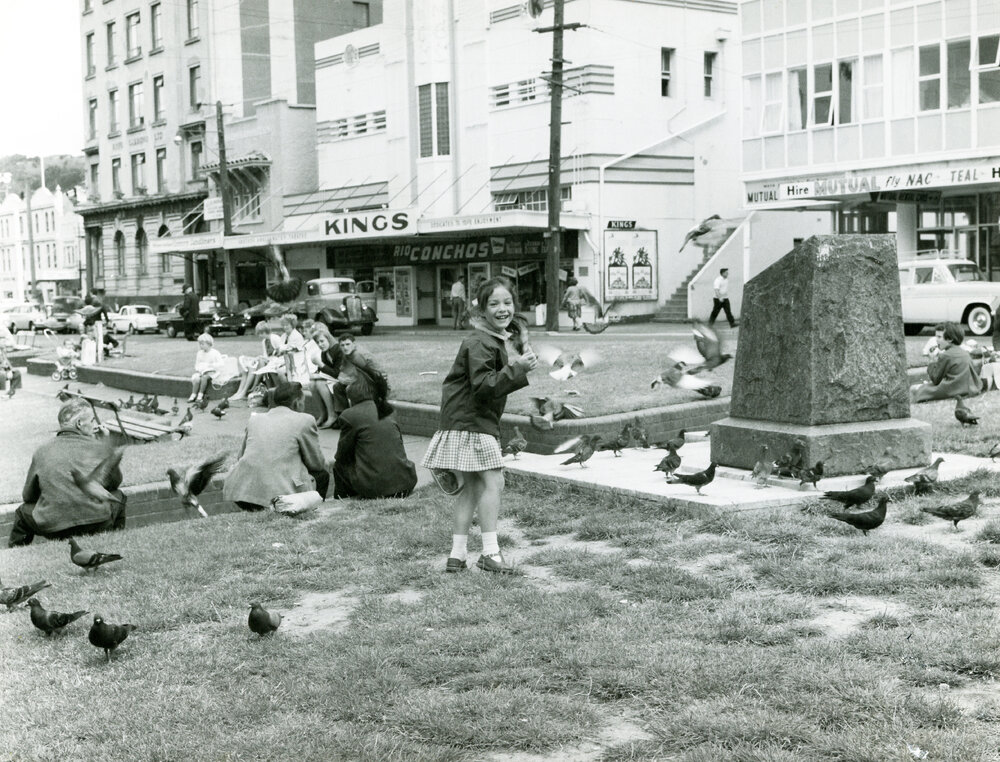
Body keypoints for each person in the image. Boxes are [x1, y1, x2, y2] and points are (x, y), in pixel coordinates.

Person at [421, 276, 538, 575]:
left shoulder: (487, 339)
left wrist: (516, 361)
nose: (502, 308)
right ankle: (490, 553)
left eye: (507, 302)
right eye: (494, 303)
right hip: (472, 422)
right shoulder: (480, 342)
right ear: (481, 310)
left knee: (471, 488)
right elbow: (484, 387)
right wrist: (517, 369)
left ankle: (457, 556)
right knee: (492, 482)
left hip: (463, 420)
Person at [9, 398, 127, 546]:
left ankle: (18, 551)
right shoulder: (97, 446)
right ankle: (114, 543)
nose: (95, 425)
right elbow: (114, 483)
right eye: (92, 420)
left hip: (55, 528)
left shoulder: (42, 451)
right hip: (96, 523)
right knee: (119, 497)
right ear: (79, 424)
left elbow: (28, 496)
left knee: (22, 512)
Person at [223, 381, 329, 511]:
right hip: (279, 494)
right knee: (322, 475)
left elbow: (241, 457)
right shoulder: (305, 420)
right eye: (303, 402)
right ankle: (313, 511)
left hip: (243, 490)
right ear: (297, 402)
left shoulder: (255, 419)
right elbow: (316, 463)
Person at [332, 371, 417, 499]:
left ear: (351, 398)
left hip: (375, 488)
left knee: (339, 465)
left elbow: (342, 454)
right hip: (406, 482)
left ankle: (342, 499)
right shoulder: (389, 410)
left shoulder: (349, 415)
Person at [910, 321, 982, 403]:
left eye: (939, 337)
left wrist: (932, 361)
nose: (936, 340)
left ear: (950, 339)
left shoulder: (946, 355)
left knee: (915, 388)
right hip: (968, 388)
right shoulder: (965, 353)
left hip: (952, 389)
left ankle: (914, 402)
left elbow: (935, 379)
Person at [331, 331, 382, 421]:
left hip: (375, 383)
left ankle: (356, 419)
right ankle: (343, 417)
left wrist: (351, 381)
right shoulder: (347, 354)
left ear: (354, 344)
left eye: (347, 344)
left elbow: (370, 375)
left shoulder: (358, 355)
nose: (345, 347)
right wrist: (341, 379)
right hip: (361, 380)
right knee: (337, 387)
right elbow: (342, 371)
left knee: (351, 388)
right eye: (342, 345)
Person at [309, 325, 343, 429]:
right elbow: (324, 370)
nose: (320, 345)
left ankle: (332, 415)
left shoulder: (338, 350)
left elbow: (337, 373)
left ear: (328, 338)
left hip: (343, 378)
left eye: (322, 341)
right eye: (318, 342)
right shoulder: (325, 352)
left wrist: (320, 365)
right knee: (312, 383)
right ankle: (323, 414)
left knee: (320, 383)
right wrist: (317, 373)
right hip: (333, 378)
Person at [189, 333, 224, 403]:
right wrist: (199, 369)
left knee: (204, 378)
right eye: (200, 344)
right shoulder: (199, 353)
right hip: (202, 371)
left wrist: (211, 365)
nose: (201, 346)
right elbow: (197, 364)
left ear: (209, 344)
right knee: (196, 378)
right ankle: (193, 394)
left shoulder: (215, 353)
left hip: (213, 371)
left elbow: (221, 364)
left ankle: (200, 394)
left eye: (202, 344)